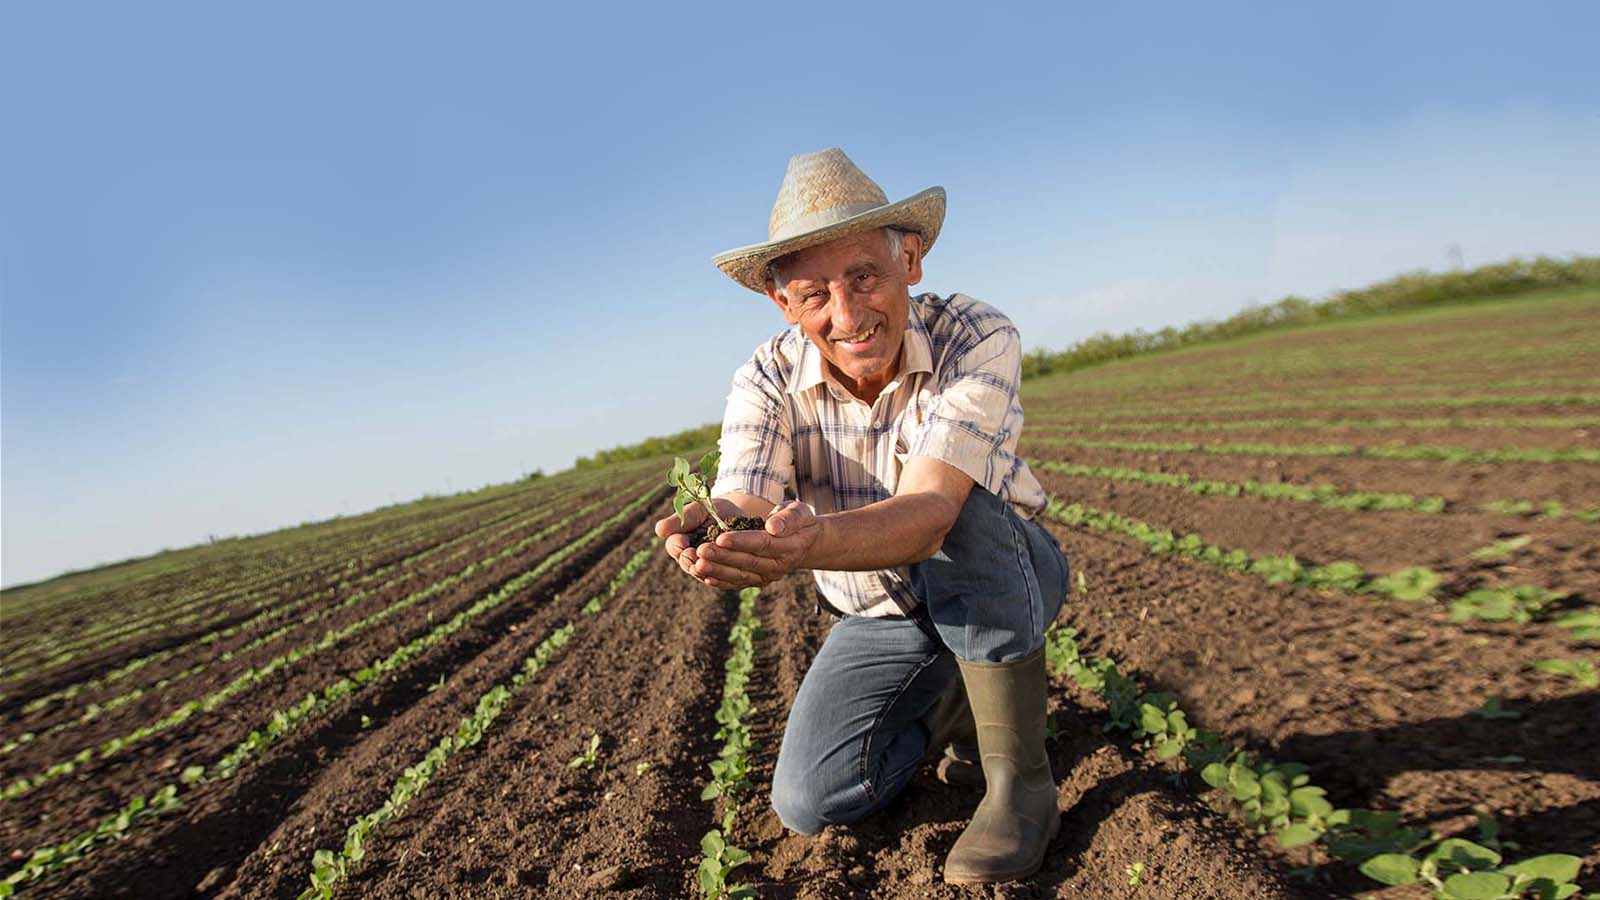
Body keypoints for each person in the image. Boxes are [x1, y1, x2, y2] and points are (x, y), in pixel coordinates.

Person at [654, 147, 1070, 885]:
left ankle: (1021, 787)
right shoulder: (766, 377)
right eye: (814, 295)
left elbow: (933, 512)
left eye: (865, 277)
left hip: (1003, 574)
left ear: (909, 261)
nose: (847, 316)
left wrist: (808, 542)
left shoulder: (974, 335)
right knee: (811, 799)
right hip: (882, 613)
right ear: (783, 305)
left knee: (967, 511)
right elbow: (748, 493)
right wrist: (723, 527)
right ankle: (954, 704)